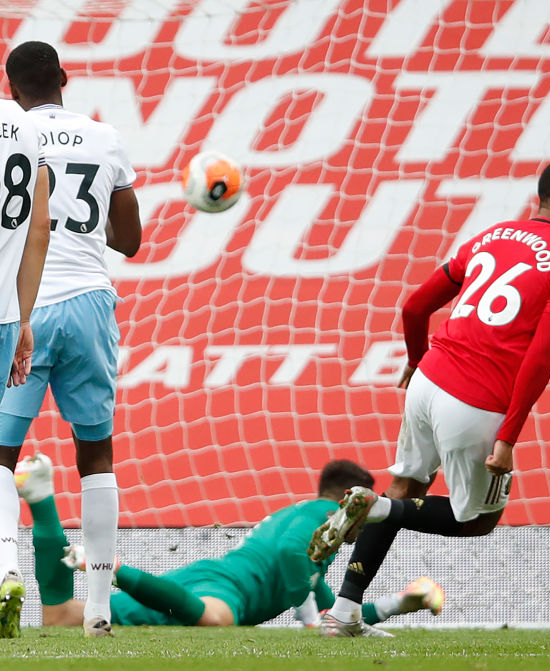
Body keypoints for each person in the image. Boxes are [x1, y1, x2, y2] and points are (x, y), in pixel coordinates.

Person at [307, 157, 550, 637]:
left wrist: (413, 360)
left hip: (427, 380)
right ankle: (378, 509)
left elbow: (414, 305)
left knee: (405, 487)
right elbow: (541, 355)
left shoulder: (493, 235)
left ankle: (343, 613)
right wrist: (508, 437)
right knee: (475, 522)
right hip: (476, 401)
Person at [0, 41, 141, 639]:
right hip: (88, 300)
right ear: (63, 77)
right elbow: (130, 240)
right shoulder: (104, 137)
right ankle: (100, 610)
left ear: (11, 91)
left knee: (3, 456)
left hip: (20, 303)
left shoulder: (11, 138)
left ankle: (5, 573)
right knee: (96, 456)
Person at [15, 454, 444, 629]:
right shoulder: (322, 516)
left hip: (206, 578)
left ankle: (39, 497)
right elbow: (289, 555)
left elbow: (336, 614)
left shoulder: (302, 519)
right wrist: (310, 618)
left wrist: (399, 603)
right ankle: (110, 566)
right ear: (350, 500)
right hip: (225, 589)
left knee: (63, 617)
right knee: (217, 620)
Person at [0, 59, 51, 638]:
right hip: (6, 315)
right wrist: (23, 317)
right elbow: (39, 229)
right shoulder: (26, 125)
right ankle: (5, 568)